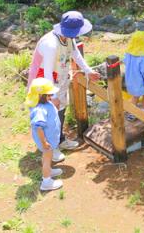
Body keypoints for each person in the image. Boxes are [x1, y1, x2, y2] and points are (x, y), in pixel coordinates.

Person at [27, 11, 100, 162]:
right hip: (44, 84)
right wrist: (51, 96)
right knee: (47, 116)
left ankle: (59, 140)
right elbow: (47, 72)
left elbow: (76, 55)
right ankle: (50, 148)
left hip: (59, 80)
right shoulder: (50, 44)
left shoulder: (68, 38)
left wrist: (88, 71)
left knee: (60, 110)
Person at [26, 78, 63, 192]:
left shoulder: (45, 103)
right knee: (47, 158)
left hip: (49, 139)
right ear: (41, 95)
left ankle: (49, 171)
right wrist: (44, 142)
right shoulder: (40, 110)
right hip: (46, 140)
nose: (51, 96)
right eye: (49, 94)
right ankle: (46, 182)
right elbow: (38, 127)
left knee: (48, 156)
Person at [123, 31, 144, 118]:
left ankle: (131, 114)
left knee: (134, 97)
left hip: (130, 81)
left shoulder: (128, 54)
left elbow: (125, 62)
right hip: (141, 83)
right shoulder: (143, 58)